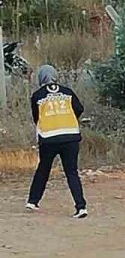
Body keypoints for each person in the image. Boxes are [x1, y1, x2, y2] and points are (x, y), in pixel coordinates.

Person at [26, 64, 87, 218]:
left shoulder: (38, 95)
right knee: (72, 172)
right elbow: (79, 109)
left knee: (43, 169)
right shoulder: (68, 92)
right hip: (71, 137)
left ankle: (33, 201)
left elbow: (36, 117)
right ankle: (81, 207)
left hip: (49, 138)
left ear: (40, 77)